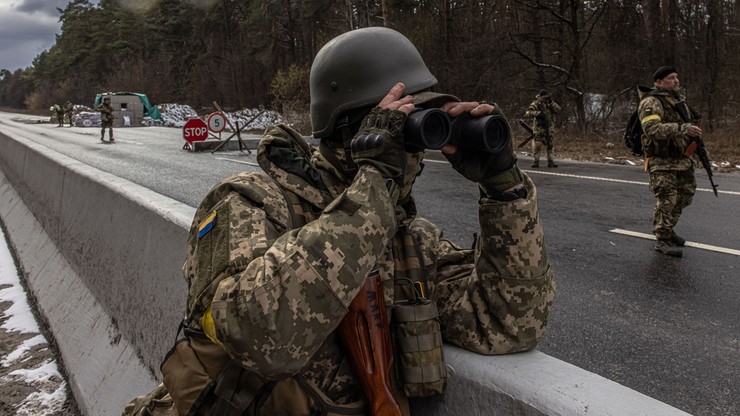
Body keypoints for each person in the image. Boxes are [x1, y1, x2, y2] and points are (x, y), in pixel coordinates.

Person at [124, 27, 556, 416]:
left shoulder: (407, 240)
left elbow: (506, 324)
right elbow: (257, 334)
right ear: (351, 131)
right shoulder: (251, 202)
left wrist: (505, 190)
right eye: (406, 124)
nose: (415, 150)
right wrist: (374, 184)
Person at [638, 65, 701, 257]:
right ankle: (662, 238)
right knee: (667, 200)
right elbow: (651, 129)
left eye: (676, 77)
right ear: (658, 82)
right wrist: (682, 129)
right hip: (662, 161)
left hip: (682, 159)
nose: (676, 81)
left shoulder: (676, 101)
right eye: (671, 78)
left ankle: (668, 228)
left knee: (685, 196)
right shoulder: (651, 102)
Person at [524, 89, 561, 168]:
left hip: (549, 127)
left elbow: (558, 110)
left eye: (547, 96)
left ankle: (551, 161)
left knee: (550, 145)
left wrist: (551, 102)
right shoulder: (536, 103)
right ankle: (536, 161)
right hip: (539, 128)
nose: (546, 97)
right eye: (544, 96)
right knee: (537, 145)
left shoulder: (549, 103)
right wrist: (538, 114)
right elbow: (527, 113)